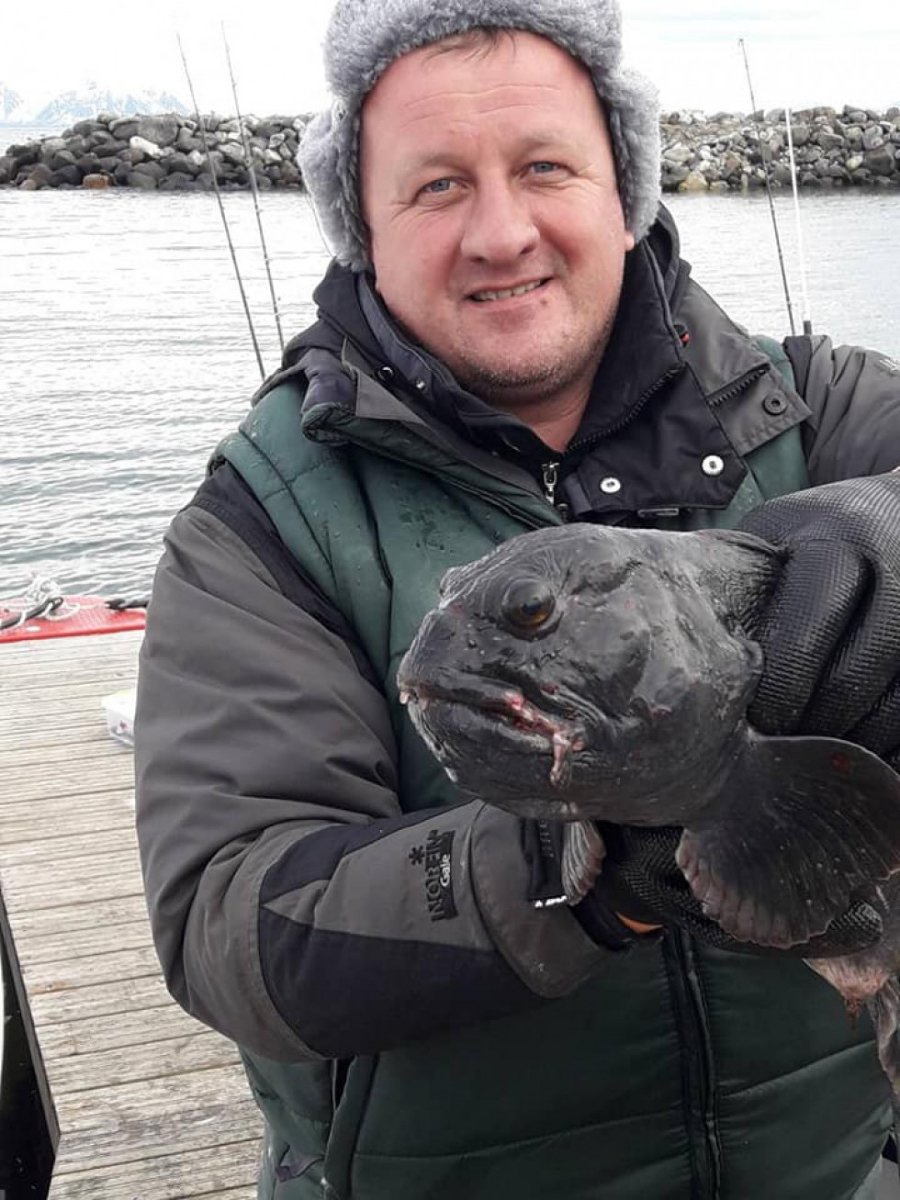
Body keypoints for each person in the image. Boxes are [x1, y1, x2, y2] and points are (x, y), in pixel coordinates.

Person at [134, 1, 900, 1197]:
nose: (501, 233)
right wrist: (581, 861)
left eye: (546, 167)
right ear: (363, 228)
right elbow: (230, 925)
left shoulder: (822, 406)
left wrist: (881, 537)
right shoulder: (263, 525)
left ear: (622, 192)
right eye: (436, 186)